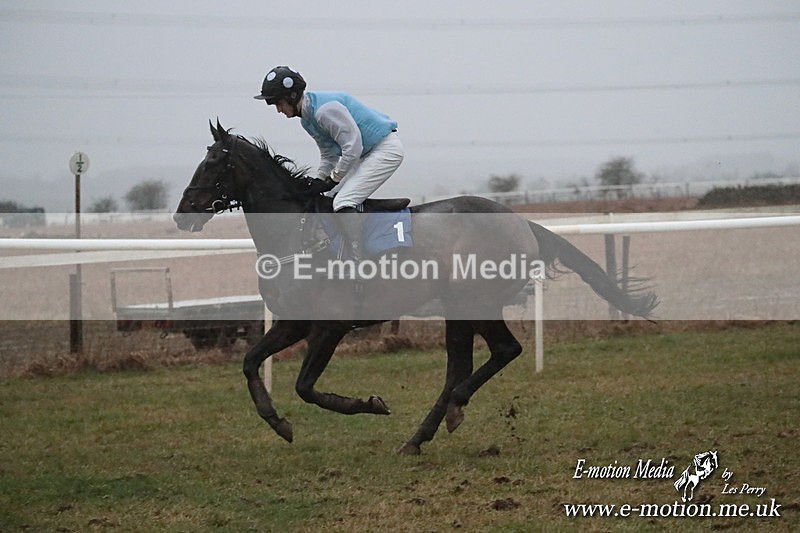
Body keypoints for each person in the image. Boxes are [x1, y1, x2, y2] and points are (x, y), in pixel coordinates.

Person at [255, 66, 404, 261]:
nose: (278, 110)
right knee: (327, 197)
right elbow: (329, 154)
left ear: (291, 96)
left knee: (343, 202)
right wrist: (319, 181)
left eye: (279, 103)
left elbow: (353, 147)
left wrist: (333, 179)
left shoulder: (325, 111)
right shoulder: (307, 119)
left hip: (385, 151)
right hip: (366, 155)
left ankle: (359, 260)